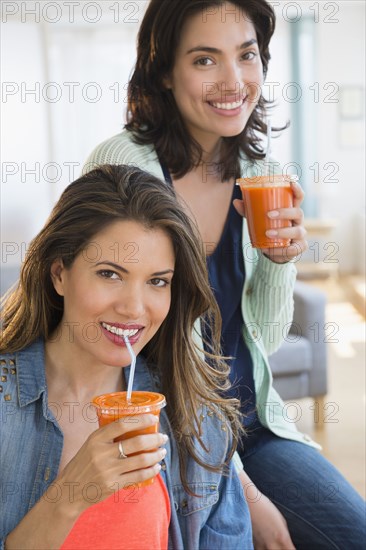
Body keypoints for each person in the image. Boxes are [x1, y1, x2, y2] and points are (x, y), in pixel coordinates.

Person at [84, 1, 366, 548]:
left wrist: (282, 263)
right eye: (205, 60)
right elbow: (127, 337)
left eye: (247, 56)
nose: (233, 80)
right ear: (164, 70)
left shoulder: (264, 171)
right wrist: (243, 488)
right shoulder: (122, 166)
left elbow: (264, 328)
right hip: (163, 425)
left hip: (254, 420)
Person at [0, 164, 253, 550]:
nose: (135, 309)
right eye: (110, 274)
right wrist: (70, 496)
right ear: (59, 274)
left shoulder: (196, 418)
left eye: (157, 281)